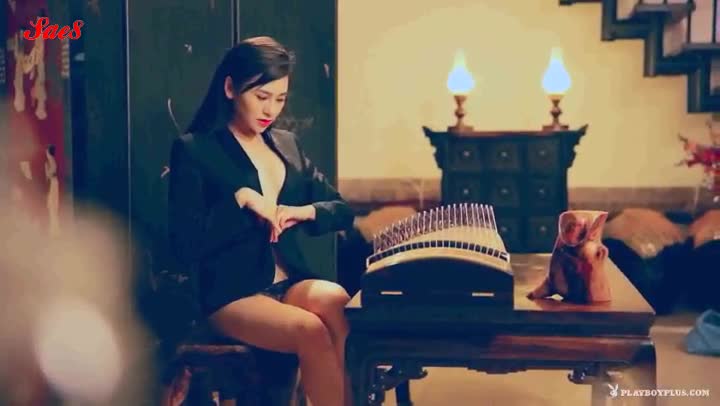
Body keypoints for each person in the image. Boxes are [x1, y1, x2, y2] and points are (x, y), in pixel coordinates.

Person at [167, 37, 355, 406]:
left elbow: (342, 209)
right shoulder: (196, 149)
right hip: (231, 294)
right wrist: (241, 200)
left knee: (337, 301)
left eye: (280, 99)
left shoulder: (286, 145)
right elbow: (185, 244)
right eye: (261, 96)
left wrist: (304, 211)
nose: (271, 109)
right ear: (230, 88)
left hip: (288, 282)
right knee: (310, 330)